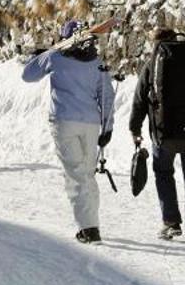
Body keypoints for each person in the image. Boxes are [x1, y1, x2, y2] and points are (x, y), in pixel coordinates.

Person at [21, 18, 116, 244]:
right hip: (92, 123)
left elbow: (27, 75)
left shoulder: (55, 57)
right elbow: (107, 97)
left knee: (75, 174)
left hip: (64, 121)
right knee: (87, 173)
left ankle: (89, 229)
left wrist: (50, 51)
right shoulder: (96, 63)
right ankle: (91, 222)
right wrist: (108, 127)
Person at [128, 28, 185, 244]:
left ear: (157, 44)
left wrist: (135, 129)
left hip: (165, 133)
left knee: (164, 172)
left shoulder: (154, 64)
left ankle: (171, 222)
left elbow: (140, 100)